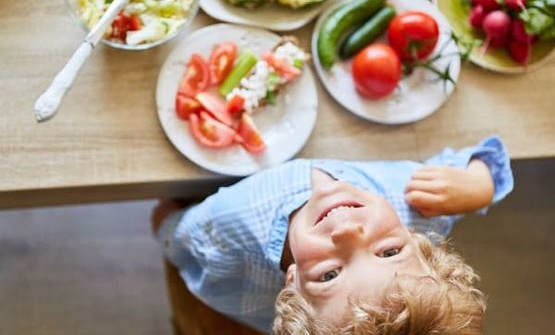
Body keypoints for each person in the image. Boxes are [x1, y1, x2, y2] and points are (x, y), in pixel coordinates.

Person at [152, 136, 513, 334]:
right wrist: (478, 184)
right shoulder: (418, 205)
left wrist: (167, 220)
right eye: (389, 252)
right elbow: (480, 163)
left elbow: (178, 235)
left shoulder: (230, 230)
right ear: (427, 248)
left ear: (291, 287)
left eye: (329, 275)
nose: (347, 231)